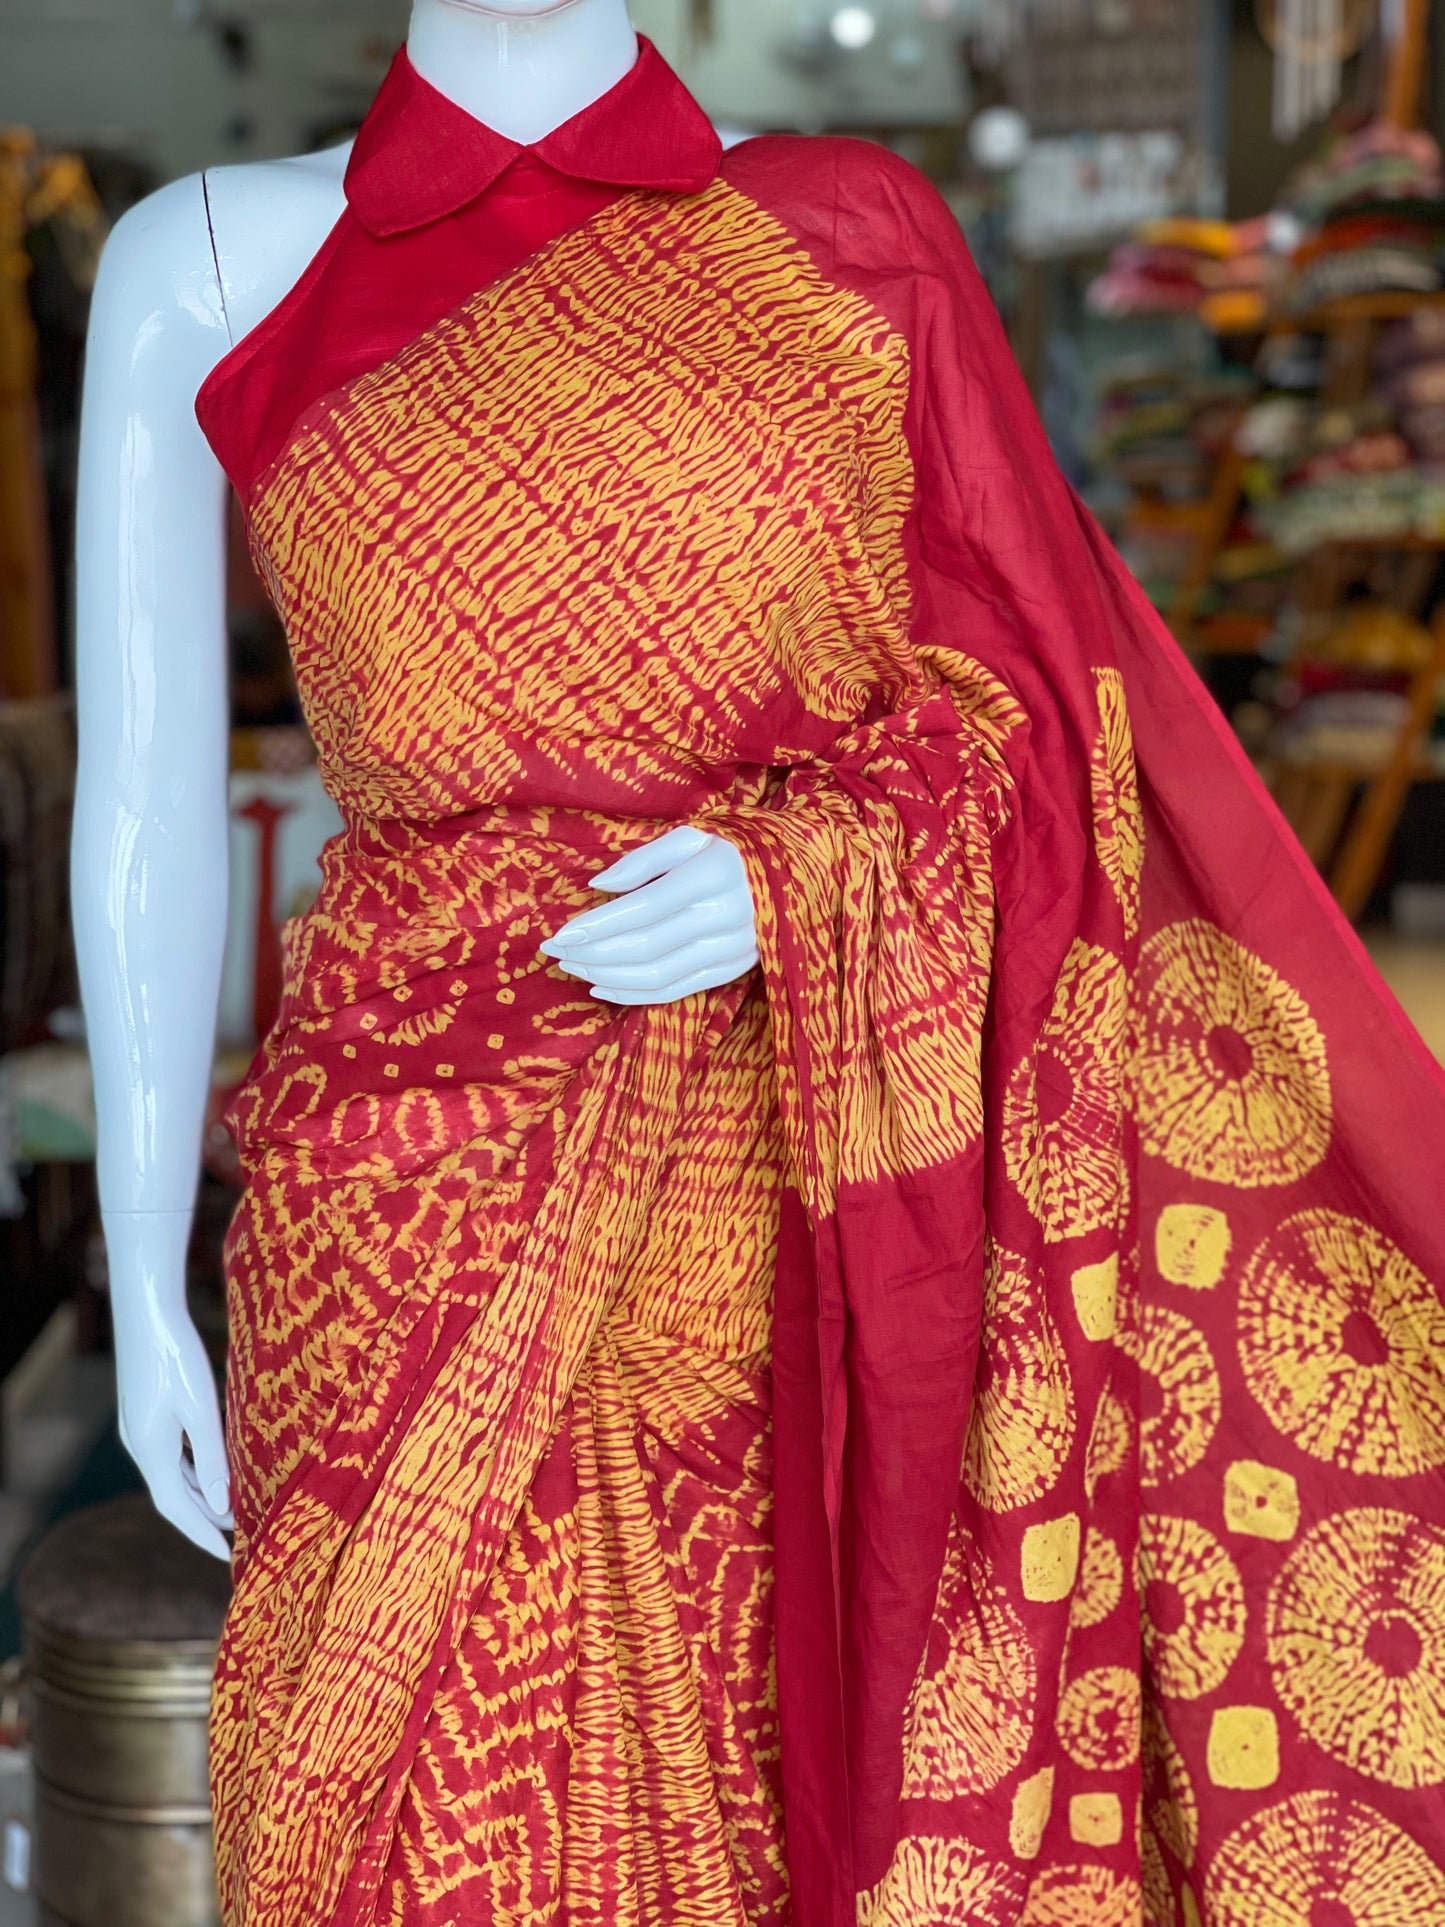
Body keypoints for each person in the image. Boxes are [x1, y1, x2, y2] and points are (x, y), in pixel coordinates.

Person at [72, 1, 1445, 1923]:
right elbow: (133, 806)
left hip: (785, 1185)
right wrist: (144, 1274)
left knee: (766, 1778)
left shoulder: (847, 231)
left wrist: (801, 872)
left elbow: (1036, 708)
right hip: (392, 1213)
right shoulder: (200, 259)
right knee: (371, 1811)